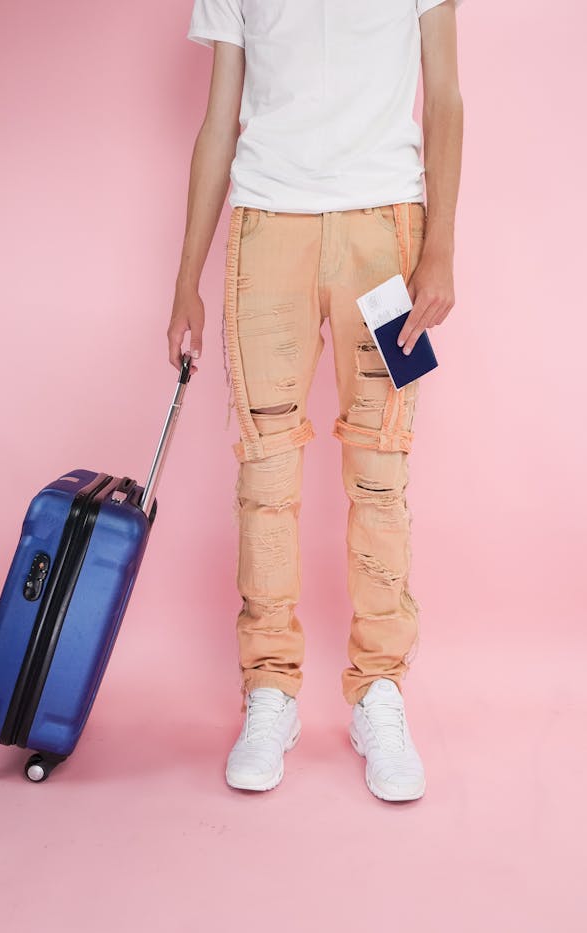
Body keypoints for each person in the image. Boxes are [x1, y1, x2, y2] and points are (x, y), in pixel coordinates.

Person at [168, 0, 463, 801]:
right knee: (263, 477)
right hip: (267, 229)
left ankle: (379, 692)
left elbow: (445, 96)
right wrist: (187, 276)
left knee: (382, 472)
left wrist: (438, 248)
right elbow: (217, 119)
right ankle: (271, 692)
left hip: (388, 230)